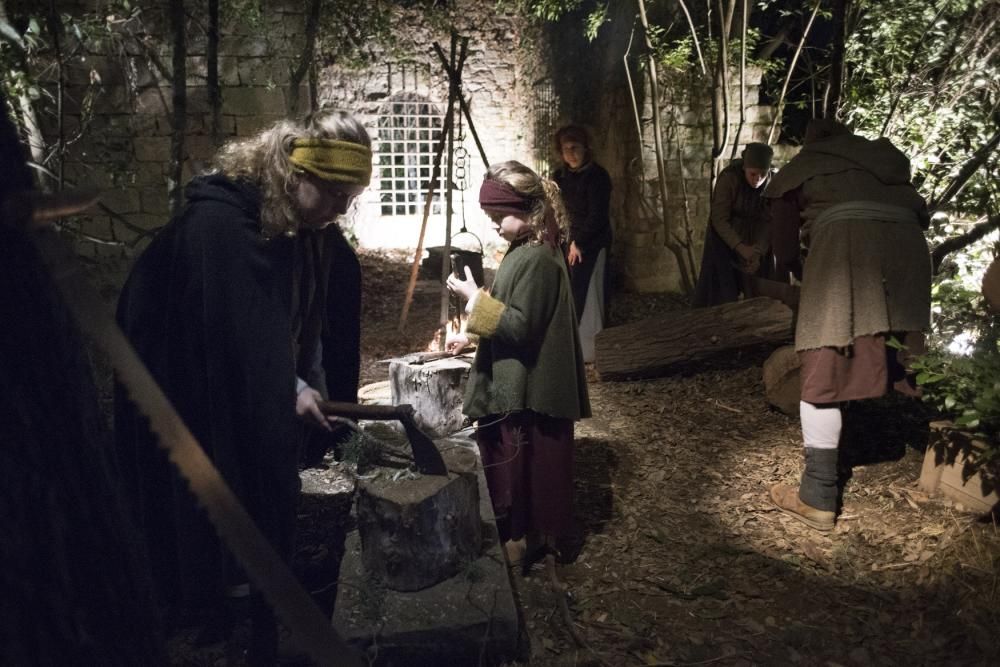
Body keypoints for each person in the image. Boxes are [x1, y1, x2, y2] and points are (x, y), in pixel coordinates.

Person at [114, 109, 371, 660]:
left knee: (259, 490)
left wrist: (299, 380)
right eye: (334, 195)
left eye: (349, 199)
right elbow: (230, 343)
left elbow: (276, 326)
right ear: (298, 174)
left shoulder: (286, 228)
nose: (341, 211)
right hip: (189, 397)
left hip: (240, 390)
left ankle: (255, 605)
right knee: (222, 495)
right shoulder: (221, 229)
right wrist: (290, 387)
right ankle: (222, 609)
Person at [763, 119, 932, 532]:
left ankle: (818, 495)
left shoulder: (807, 164)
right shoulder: (885, 161)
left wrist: (802, 271)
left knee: (825, 364)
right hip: (908, 255)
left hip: (845, 251)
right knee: (900, 353)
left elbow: (783, 248)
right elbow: (921, 215)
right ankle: (948, 463)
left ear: (812, 142)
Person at [445, 161, 591, 570]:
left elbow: (522, 326)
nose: (492, 225)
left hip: (532, 387)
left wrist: (475, 299)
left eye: (497, 217)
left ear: (528, 211)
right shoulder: (523, 249)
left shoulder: (539, 259)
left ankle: (527, 537)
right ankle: (519, 531)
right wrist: (472, 335)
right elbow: (512, 310)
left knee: (528, 468)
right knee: (516, 463)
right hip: (518, 379)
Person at [552, 125, 612, 362]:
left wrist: (580, 242)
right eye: (566, 149)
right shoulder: (560, 177)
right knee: (568, 292)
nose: (571, 154)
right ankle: (569, 345)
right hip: (568, 241)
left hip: (592, 242)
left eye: (575, 148)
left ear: (586, 148)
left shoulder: (598, 177)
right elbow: (557, 210)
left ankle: (590, 349)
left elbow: (597, 216)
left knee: (589, 293)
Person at [692, 142, 775, 307]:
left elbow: (769, 220)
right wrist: (741, 248)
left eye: (762, 174)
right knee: (721, 291)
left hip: (756, 237)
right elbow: (719, 218)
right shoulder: (729, 179)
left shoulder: (772, 182)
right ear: (745, 169)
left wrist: (758, 252)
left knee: (761, 289)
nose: (757, 179)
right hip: (726, 237)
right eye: (753, 174)